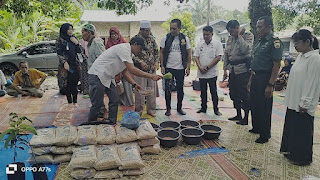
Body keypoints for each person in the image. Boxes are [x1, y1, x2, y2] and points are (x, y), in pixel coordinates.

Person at [87, 36, 162, 124]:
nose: (140, 51)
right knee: (97, 104)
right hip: (98, 75)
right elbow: (132, 69)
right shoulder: (124, 48)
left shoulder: (129, 54)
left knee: (114, 100)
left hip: (108, 77)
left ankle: (112, 122)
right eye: (140, 48)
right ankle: (90, 125)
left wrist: (135, 85)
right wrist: (151, 76)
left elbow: (125, 73)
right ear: (134, 44)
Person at [280, 29, 320, 166]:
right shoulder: (301, 56)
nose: (295, 45)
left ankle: (302, 157)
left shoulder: (315, 58)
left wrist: (305, 102)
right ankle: (291, 151)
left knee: (302, 131)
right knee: (293, 128)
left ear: (308, 42)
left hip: (303, 102)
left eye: (297, 42)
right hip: (294, 100)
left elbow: (312, 82)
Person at [247, 16, 284, 143]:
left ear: (268, 27)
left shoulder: (275, 42)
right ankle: (256, 127)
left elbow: (276, 65)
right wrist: (251, 79)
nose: (258, 29)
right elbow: (255, 62)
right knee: (255, 103)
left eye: (260, 27)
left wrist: (270, 84)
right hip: (256, 76)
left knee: (264, 106)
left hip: (265, 78)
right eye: (257, 27)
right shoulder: (260, 41)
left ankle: (265, 134)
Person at [223, 20, 254, 125]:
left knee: (244, 94)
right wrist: (225, 69)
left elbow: (246, 50)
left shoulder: (248, 36)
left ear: (237, 28)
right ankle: (238, 114)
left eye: (232, 31)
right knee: (233, 93)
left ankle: (245, 117)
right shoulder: (230, 38)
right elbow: (226, 53)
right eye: (229, 32)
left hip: (243, 70)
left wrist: (240, 36)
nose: (230, 33)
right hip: (232, 70)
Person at [160, 19, 192, 116]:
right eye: (171, 28)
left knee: (180, 89)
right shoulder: (166, 38)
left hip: (180, 68)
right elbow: (161, 52)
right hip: (168, 68)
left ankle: (179, 108)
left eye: (174, 28)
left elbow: (188, 52)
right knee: (168, 89)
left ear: (179, 28)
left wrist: (188, 67)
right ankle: (168, 109)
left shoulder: (184, 38)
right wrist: (162, 66)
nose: (172, 30)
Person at [194, 26, 223, 116]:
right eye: (204, 34)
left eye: (207, 34)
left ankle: (216, 109)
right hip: (201, 73)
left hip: (212, 73)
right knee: (203, 92)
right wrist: (200, 67)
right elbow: (196, 56)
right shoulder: (200, 44)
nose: (205, 36)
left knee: (213, 91)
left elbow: (218, 57)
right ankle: (203, 108)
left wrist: (207, 67)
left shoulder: (217, 44)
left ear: (212, 34)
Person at [132, 20, 159, 117]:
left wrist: (156, 62)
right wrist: (140, 62)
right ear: (141, 30)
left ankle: (151, 110)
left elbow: (156, 51)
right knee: (140, 91)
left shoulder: (152, 39)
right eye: (146, 31)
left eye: (149, 30)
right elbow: (132, 54)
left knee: (151, 91)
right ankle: (138, 111)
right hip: (139, 70)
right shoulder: (135, 39)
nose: (148, 32)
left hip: (151, 70)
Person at [106, 27, 134, 107]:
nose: (114, 36)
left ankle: (129, 102)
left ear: (118, 34)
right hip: (114, 68)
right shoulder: (108, 44)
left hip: (124, 66)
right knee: (117, 87)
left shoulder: (123, 43)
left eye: (115, 34)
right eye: (112, 34)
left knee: (126, 85)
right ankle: (119, 102)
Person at [56, 23, 82, 105]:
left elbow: (80, 51)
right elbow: (59, 53)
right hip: (66, 65)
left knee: (75, 83)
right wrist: (64, 62)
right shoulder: (60, 40)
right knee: (67, 84)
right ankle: (69, 102)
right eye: (68, 29)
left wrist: (77, 43)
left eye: (71, 29)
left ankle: (75, 101)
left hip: (75, 64)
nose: (70, 31)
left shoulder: (73, 38)